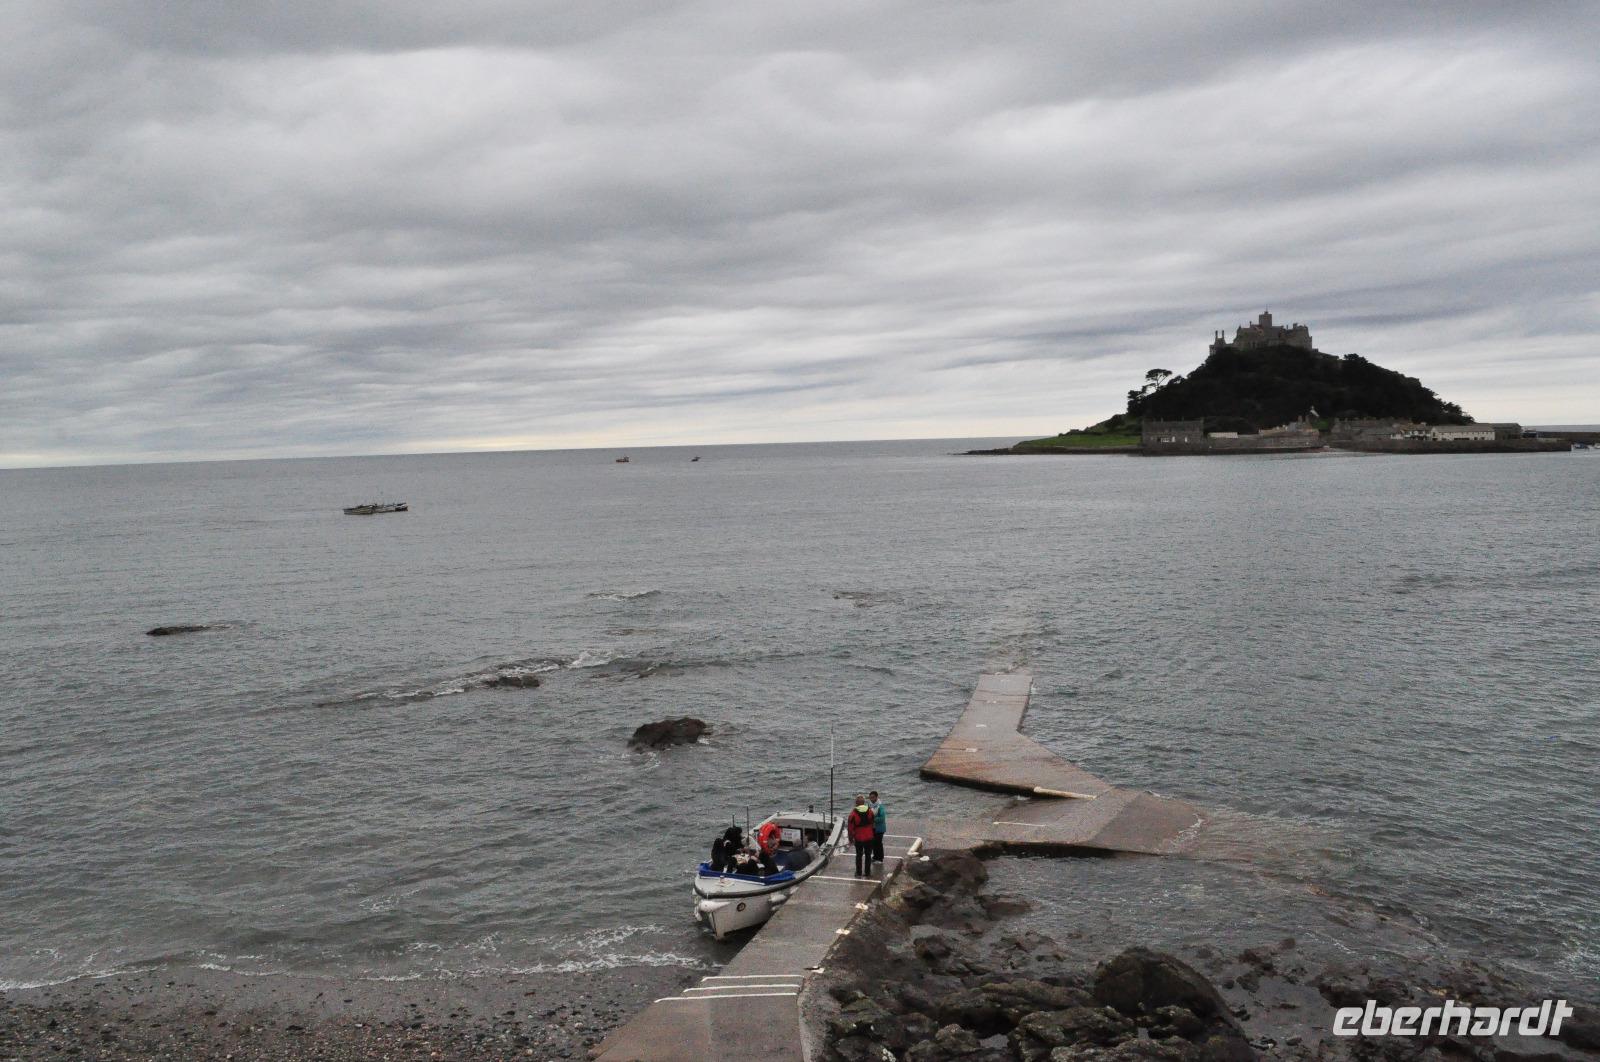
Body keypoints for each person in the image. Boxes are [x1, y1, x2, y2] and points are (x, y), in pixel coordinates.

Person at [847, 795, 876, 877]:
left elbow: (850, 828)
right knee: (868, 855)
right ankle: (867, 873)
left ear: (856, 803)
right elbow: (873, 824)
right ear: (864, 803)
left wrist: (851, 839)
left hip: (859, 838)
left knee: (859, 855)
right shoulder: (870, 811)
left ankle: (859, 873)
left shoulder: (853, 814)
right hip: (869, 837)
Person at [868, 791, 886, 870]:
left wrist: (873, 819)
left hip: (879, 828)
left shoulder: (880, 806)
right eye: (870, 798)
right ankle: (875, 857)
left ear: (876, 797)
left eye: (873, 797)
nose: (871, 799)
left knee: (878, 843)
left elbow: (882, 818)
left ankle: (880, 858)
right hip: (872, 828)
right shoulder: (869, 805)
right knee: (873, 843)